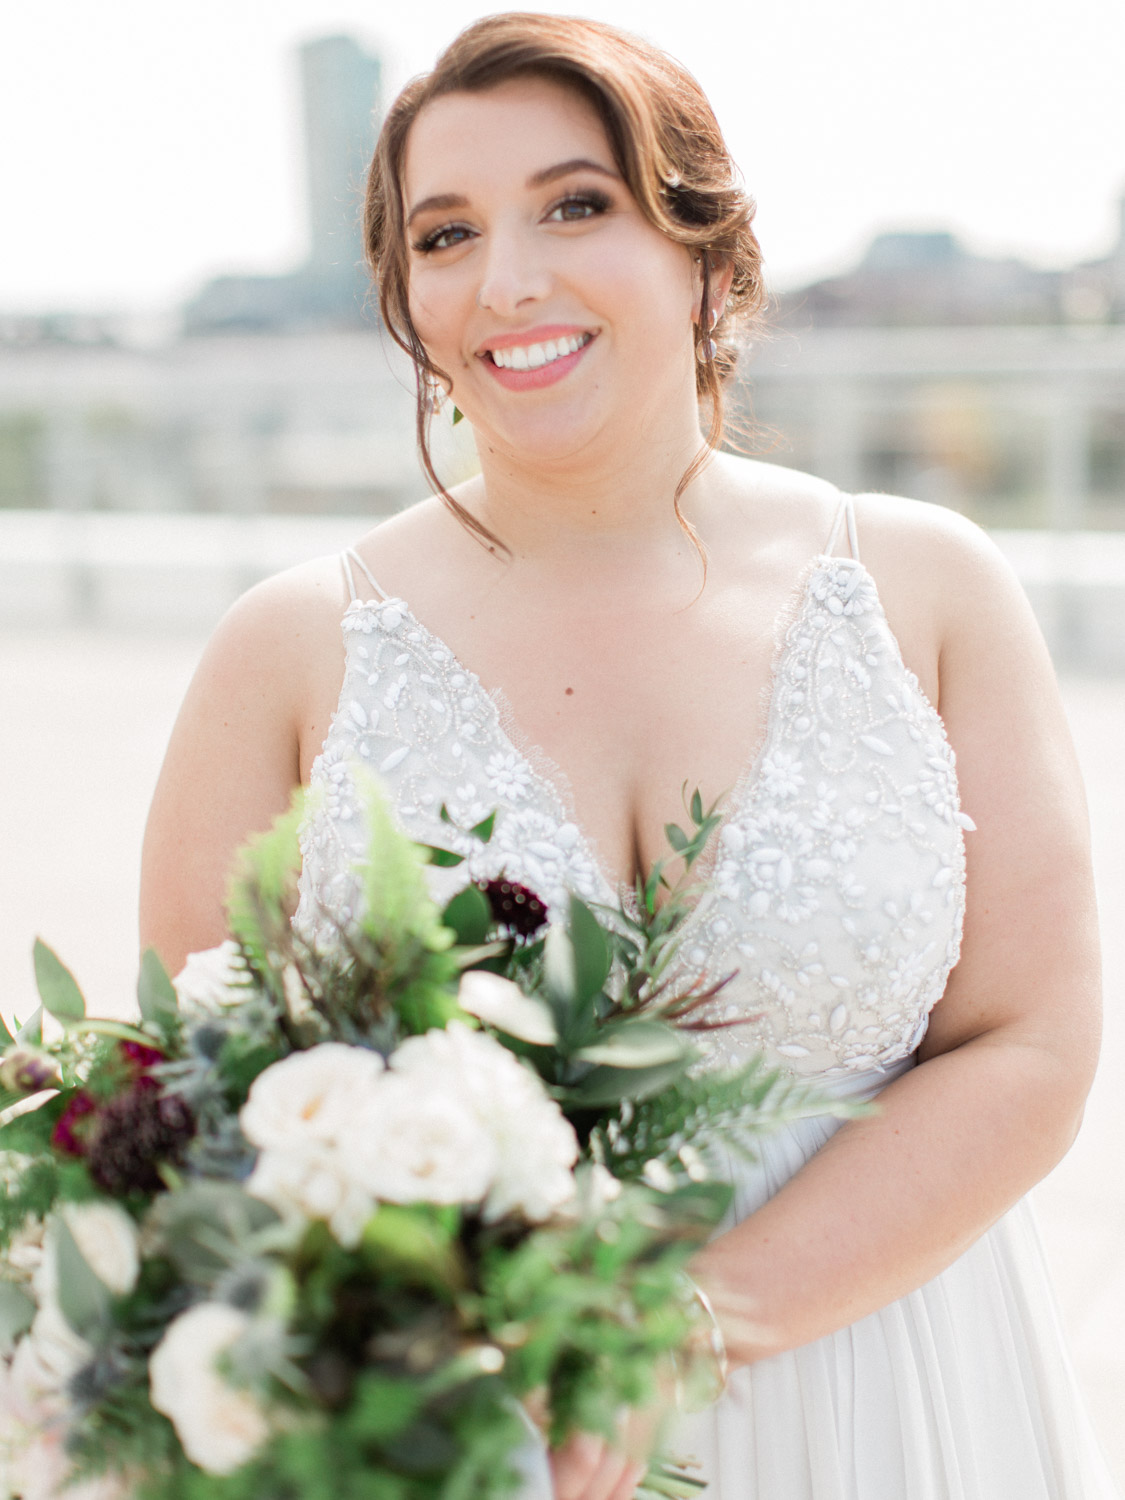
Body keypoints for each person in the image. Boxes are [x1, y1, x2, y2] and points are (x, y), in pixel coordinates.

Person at [139, 13, 1118, 1498]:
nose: (508, 278)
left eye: (575, 204)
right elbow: (193, 1127)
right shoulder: (287, 652)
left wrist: (678, 1328)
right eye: (446, 232)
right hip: (470, 1436)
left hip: (893, 1390)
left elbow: (1031, 1046)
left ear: (706, 254)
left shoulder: (924, 588)